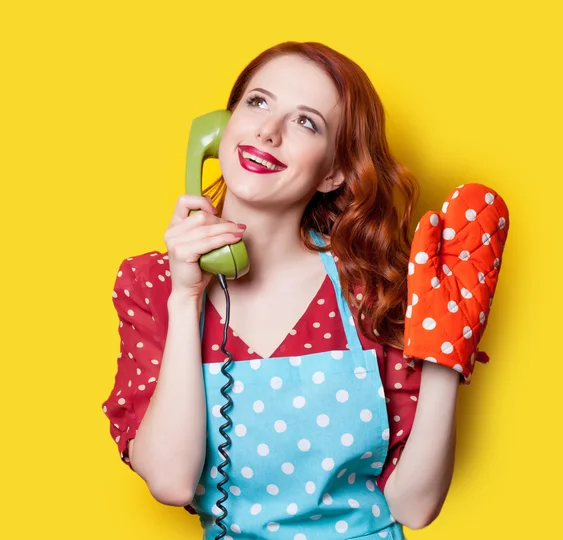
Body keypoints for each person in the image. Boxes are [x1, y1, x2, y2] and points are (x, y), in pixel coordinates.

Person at [102, 41, 508, 539]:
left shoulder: (371, 287)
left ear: (334, 171)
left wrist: (447, 356)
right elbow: (171, 481)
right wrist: (186, 297)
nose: (268, 131)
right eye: (257, 103)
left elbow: (414, 506)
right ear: (219, 129)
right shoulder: (152, 285)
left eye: (305, 122)